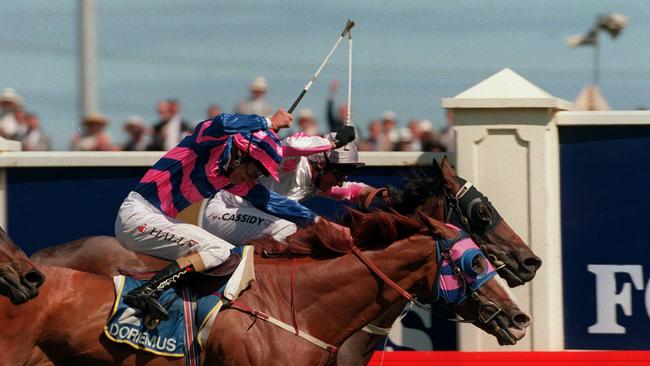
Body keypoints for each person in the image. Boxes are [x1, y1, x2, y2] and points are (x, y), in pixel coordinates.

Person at [115, 109, 305, 320]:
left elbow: (269, 200)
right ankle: (147, 293)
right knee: (219, 250)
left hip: (154, 219)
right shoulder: (205, 143)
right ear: (239, 156)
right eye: (252, 173)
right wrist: (267, 122)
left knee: (223, 254)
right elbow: (222, 122)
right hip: (138, 215)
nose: (250, 180)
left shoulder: (226, 179)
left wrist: (316, 220)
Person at [202, 124, 375, 246]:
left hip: (243, 222)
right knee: (287, 229)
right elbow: (291, 144)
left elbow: (352, 190)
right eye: (338, 174)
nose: (339, 181)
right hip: (223, 212)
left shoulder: (315, 183)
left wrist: (373, 192)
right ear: (321, 165)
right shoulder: (291, 164)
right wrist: (331, 143)